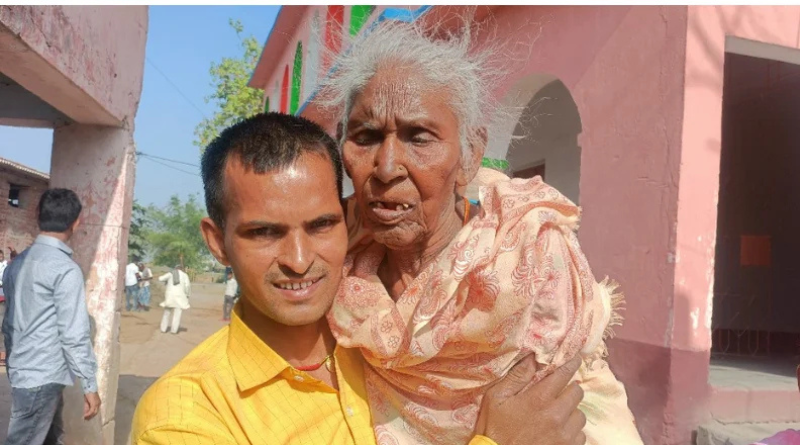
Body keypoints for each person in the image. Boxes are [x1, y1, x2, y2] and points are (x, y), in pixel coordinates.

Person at [132, 113, 584, 445]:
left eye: (320, 225)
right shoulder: (185, 415)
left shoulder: (391, 343)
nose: (298, 259)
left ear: (350, 220)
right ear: (217, 242)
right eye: (264, 232)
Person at [320, 19, 643, 444]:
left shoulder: (531, 259)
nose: (386, 167)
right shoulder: (333, 276)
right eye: (366, 136)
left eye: (419, 137)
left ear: (470, 156)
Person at [1, 188, 101, 445]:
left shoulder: (17, 264)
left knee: (51, 437)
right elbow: (74, 334)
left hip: (28, 371)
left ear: (37, 215)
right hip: (42, 375)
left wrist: (14, 364)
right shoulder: (65, 269)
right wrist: (90, 385)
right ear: (76, 222)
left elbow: (9, 324)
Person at [157, 265, 190, 334]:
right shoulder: (185, 275)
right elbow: (187, 286)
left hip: (170, 296)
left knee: (166, 313)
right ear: (182, 269)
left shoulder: (170, 273)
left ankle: (163, 329)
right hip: (180, 297)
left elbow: (160, 279)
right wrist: (187, 295)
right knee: (177, 314)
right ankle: (174, 330)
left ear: (175, 268)